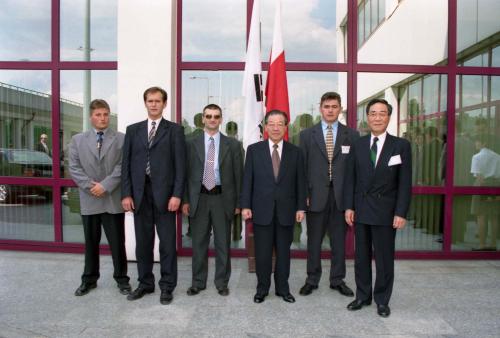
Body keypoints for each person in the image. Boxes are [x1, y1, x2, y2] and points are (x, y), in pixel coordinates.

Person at [344, 98, 412, 318]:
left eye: (382, 113)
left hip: (386, 211)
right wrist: (349, 207)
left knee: (384, 259)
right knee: (361, 257)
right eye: (373, 113)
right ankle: (363, 296)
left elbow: (404, 183)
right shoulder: (358, 144)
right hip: (362, 209)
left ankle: (382, 300)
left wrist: (401, 212)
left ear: (389, 117)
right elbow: (350, 179)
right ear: (367, 117)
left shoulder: (401, 145)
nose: (377, 117)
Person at [121, 86, 186, 305]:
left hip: (166, 196)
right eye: (150, 101)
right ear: (145, 103)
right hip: (139, 195)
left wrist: (177, 195)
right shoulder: (133, 130)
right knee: (143, 243)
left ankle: (167, 286)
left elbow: (180, 166)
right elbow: (126, 165)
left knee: (167, 244)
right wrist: (126, 194)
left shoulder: (175, 131)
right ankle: (145, 284)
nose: (154, 104)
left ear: (165, 104)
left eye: (158, 101)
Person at [241, 110, 306, 304]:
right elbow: (247, 181)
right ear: (266, 127)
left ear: (286, 127)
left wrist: (301, 207)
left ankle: (283, 289)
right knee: (262, 254)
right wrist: (245, 205)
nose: (276, 127)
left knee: (284, 253)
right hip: (261, 211)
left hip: (287, 212)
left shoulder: (296, 152)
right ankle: (262, 289)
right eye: (272, 124)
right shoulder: (254, 150)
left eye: (280, 124)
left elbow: (300, 182)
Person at [298, 92, 359, 297]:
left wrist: (352, 200)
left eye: (334, 106)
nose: (330, 110)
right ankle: (312, 279)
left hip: (341, 197)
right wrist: (304, 194)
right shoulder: (307, 135)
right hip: (315, 197)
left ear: (340, 108)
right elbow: (302, 168)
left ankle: (337, 279)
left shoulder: (352, 135)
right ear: (321, 108)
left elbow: (354, 171)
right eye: (327, 106)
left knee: (338, 242)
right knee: (313, 241)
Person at [68, 99, 130, 297]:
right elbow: (74, 168)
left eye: (105, 114)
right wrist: (90, 185)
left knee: (117, 244)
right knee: (90, 242)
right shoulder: (78, 140)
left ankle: (122, 280)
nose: (102, 118)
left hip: (112, 199)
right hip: (90, 199)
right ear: (90, 117)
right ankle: (89, 280)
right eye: (98, 114)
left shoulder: (121, 138)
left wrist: (105, 185)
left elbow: (123, 166)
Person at [181, 104, 243, 296]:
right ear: (203, 119)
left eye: (216, 116)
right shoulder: (190, 143)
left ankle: (222, 282)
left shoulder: (232, 145)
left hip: (222, 199)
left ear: (221, 119)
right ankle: (198, 282)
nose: (212, 120)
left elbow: (239, 175)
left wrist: (239, 203)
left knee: (223, 243)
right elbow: (184, 174)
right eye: (209, 116)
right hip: (199, 198)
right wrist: (185, 200)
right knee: (198, 243)